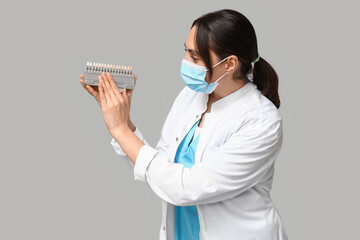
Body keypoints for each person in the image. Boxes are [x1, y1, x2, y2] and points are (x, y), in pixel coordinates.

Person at [80, 9, 288, 240]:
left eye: (195, 57)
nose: (186, 62)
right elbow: (160, 171)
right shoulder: (190, 95)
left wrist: (119, 129)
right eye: (186, 52)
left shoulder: (261, 121)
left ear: (229, 64)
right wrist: (125, 125)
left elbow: (186, 187)